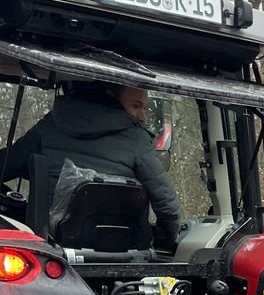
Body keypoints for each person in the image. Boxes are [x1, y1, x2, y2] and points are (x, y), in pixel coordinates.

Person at [2, 81, 181, 248]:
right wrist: (166, 238)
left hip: (54, 245)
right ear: (110, 96)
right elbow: (165, 200)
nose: (143, 117)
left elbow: (5, 166)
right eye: (136, 106)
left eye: (144, 108)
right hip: (125, 249)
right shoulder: (137, 139)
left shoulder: (48, 127)